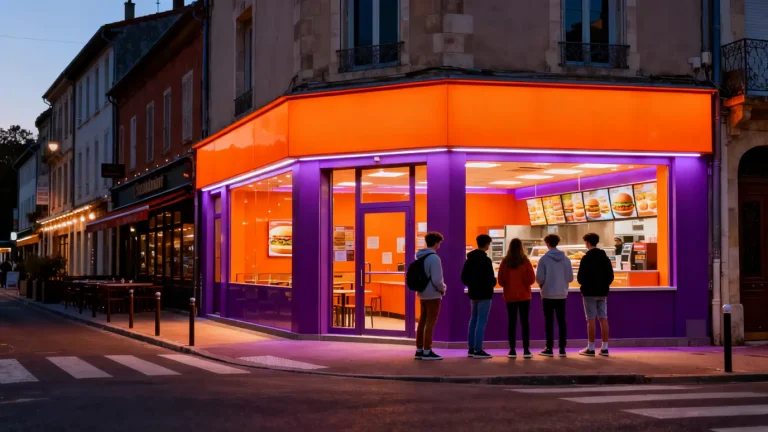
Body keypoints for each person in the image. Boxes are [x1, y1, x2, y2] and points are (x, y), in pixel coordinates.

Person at [535, 234, 573, 357]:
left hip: (547, 294)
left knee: (549, 322)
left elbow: (539, 278)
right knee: (562, 321)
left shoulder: (544, 259)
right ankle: (562, 348)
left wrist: (543, 285)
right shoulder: (566, 259)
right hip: (562, 294)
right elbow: (570, 278)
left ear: (547, 243)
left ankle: (549, 348)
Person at [577, 233, 615, 357]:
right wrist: (604, 285)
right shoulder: (605, 258)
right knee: (603, 318)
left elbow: (580, 278)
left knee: (591, 319)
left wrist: (586, 285)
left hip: (589, 293)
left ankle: (591, 347)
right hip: (602, 292)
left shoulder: (586, 258)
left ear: (588, 243)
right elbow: (610, 276)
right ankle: (605, 348)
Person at [498, 238, 536, 359]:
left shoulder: (505, 262)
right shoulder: (525, 261)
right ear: (521, 247)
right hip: (524, 296)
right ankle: (526, 350)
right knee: (525, 323)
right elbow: (532, 279)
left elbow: (501, 281)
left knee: (512, 323)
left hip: (510, 296)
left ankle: (512, 350)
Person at [461, 234, 497, 359]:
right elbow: (491, 279)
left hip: (473, 293)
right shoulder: (486, 261)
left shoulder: (469, 259)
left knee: (473, 319)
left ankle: (471, 348)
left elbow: (463, 277)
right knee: (481, 321)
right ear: (486, 244)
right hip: (485, 293)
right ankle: (478, 349)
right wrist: (491, 283)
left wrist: (472, 285)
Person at [415, 232, 447, 361]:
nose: (440, 245)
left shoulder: (419, 256)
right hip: (433, 294)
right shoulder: (434, 258)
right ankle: (427, 351)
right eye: (439, 243)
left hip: (422, 292)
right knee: (430, 322)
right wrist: (443, 289)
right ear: (435, 242)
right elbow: (437, 280)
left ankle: (419, 349)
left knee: (422, 321)